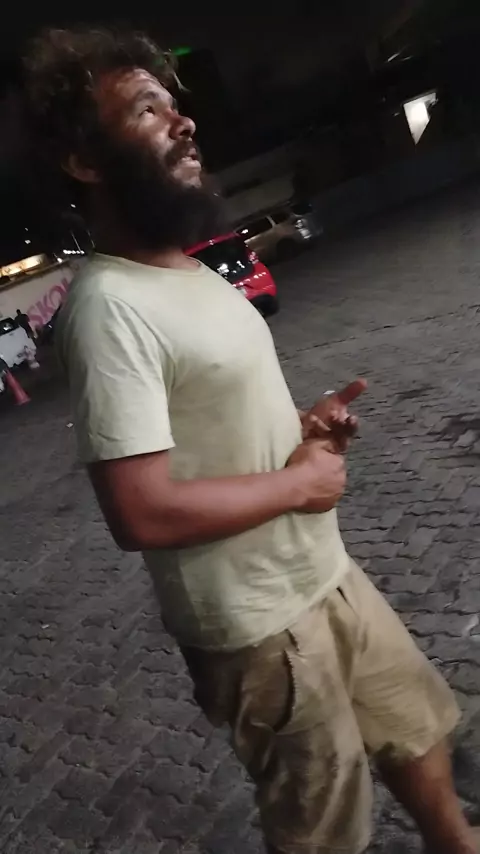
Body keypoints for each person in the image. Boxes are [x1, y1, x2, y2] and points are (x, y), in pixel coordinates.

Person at [23, 28, 478, 854]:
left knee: (414, 729)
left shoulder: (190, 271)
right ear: (83, 161)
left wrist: (300, 430)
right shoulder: (108, 308)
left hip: (324, 573)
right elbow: (141, 511)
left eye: (176, 105)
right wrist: (300, 486)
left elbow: (212, 425)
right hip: (260, 627)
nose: (184, 121)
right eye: (146, 109)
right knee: (322, 826)